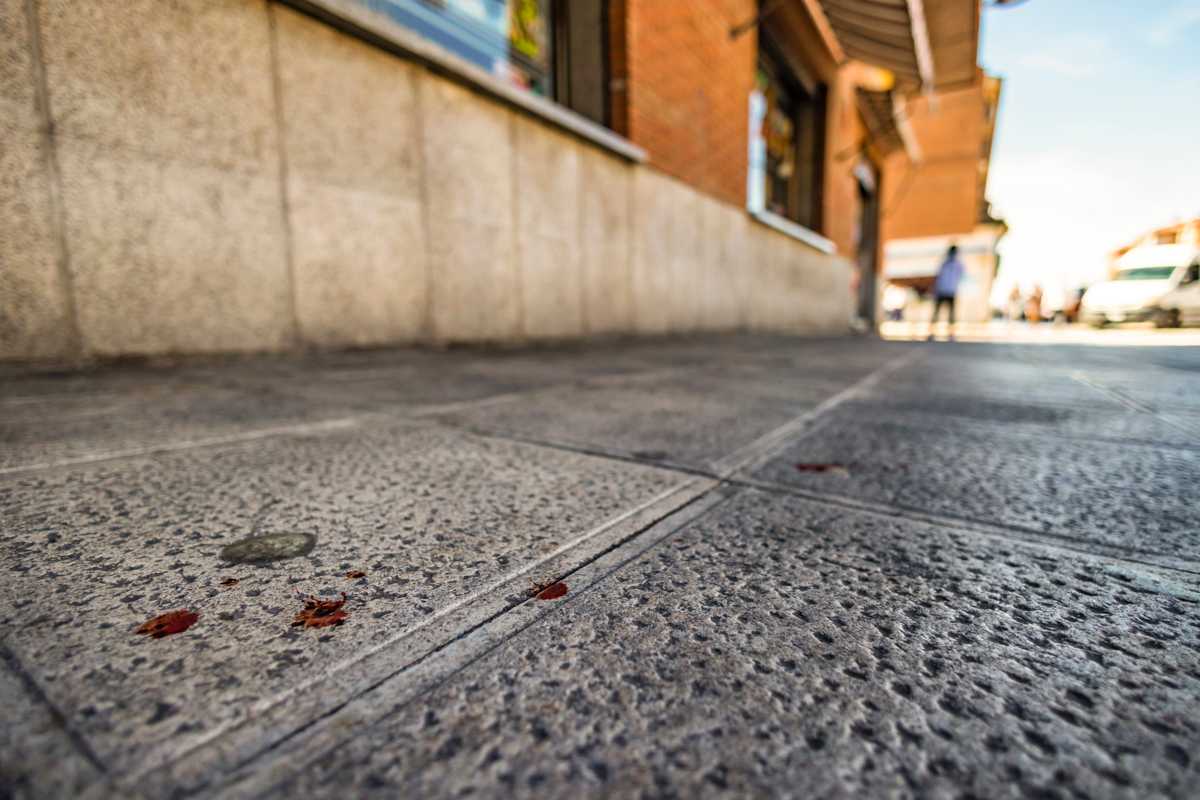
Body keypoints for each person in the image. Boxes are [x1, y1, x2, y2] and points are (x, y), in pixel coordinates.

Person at [928, 244, 965, 340]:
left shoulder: (957, 265)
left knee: (951, 315)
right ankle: (932, 333)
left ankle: (951, 334)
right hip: (942, 291)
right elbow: (938, 277)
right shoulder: (945, 263)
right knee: (937, 313)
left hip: (950, 291)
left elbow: (960, 277)